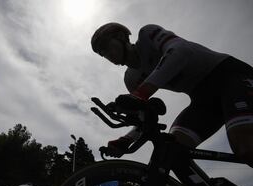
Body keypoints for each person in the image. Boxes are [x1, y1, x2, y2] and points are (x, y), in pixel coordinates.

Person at [91, 23, 253, 167]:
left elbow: (181, 51)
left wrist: (142, 93)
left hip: (230, 76)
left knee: (245, 145)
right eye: (102, 53)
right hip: (203, 100)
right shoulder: (131, 79)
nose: (107, 54)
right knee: (170, 152)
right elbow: (142, 119)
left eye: (106, 46)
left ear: (121, 37)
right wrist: (125, 140)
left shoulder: (147, 35)